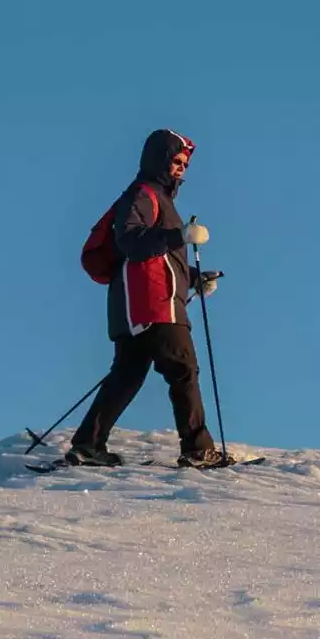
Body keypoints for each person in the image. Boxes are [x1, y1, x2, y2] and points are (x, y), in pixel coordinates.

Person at [66, 129, 230, 469]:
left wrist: (196, 280)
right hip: (153, 302)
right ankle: (198, 449)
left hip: (135, 305)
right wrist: (179, 234)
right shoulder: (144, 194)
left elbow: (161, 258)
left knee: (128, 373)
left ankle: (88, 445)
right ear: (158, 159)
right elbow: (132, 241)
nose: (181, 167)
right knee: (183, 368)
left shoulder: (157, 198)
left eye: (185, 162)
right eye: (175, 160)